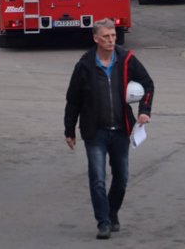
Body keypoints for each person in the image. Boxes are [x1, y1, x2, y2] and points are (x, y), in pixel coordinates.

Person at [64, 18, 154, 240]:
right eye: (106, 36)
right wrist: (69, 130)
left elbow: (147, 84)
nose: (111, 40)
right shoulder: (85, 65)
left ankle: (111, 211)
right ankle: (103, 222)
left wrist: (144, 110)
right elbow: (73, 99)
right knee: (97, 179)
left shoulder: (126, 59)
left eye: (113, 35)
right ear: (96, 38)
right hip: (95, 132)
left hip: (121, 130)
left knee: (121, 178)